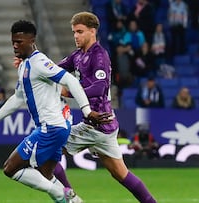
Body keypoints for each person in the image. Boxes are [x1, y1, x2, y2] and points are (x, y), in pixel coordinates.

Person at [0, 20, 111, 203]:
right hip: (58, 127)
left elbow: (70, 81)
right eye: (13, 42)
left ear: (31, 40)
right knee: (46, 176)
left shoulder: (39, 62)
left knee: (10, 168)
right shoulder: (25, 65)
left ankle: (60, 193)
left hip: (51, 128)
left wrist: (87, 111)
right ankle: (72, 199)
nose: (15, 46)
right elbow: (18, 98)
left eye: (20, 42)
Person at [56, 12, 157, 203]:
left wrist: (67, 93)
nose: (75, 36)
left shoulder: (99, 56)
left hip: (96, 126)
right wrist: (31, 66)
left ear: (92, 32)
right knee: (120, 174)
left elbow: (99, 88)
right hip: (104, 125)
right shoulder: (78, 56)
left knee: (46, 149)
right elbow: (53, 70)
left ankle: (70, 197)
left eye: (79, 31)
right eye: (73, 32)